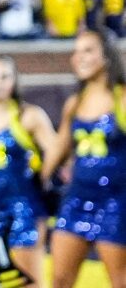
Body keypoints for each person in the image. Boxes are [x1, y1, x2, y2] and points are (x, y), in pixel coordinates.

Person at [43, 29, 126, 288]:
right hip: (77, 199)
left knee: (120, 281)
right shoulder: (74, 103)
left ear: (107, 56)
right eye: (76, 52)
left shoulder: (122, 99)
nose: (80, 57)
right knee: (59, 280)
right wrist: (35, 180)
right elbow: (58, 150)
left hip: (116, 203)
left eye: (88, 50)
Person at [0, 55, 58, 287]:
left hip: (24, 209)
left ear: (15, 82)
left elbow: (58, 151)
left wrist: (43, 175)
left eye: (5, 76)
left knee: (28, 281)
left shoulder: (28, 115)